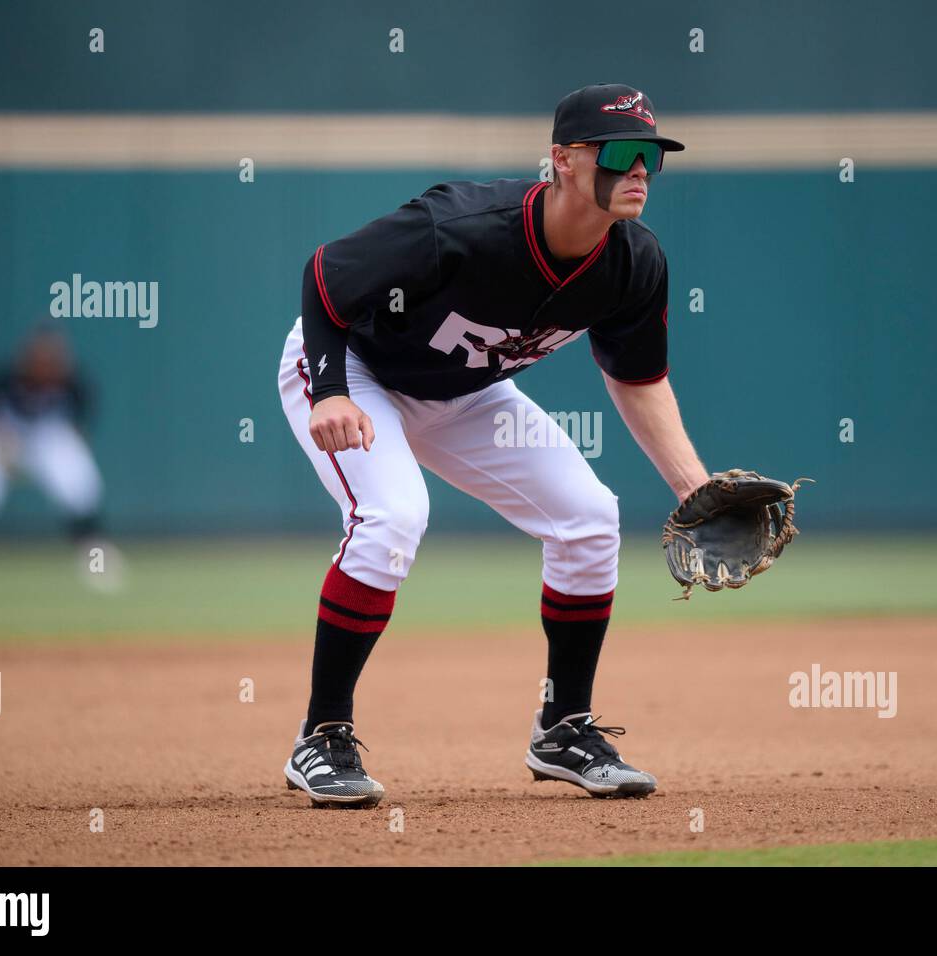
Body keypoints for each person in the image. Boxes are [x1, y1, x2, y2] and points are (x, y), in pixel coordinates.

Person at [278, 84, 708, 807]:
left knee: (590, 518)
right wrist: (329, 391)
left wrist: (691, 487)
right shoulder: (462, 226)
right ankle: (321, 734)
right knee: (393, 518)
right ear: (564, 160)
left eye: (653, 158)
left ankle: (562, 728)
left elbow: (638, 377)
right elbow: (325, 277)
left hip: (466, 395)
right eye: (623, 153)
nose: (641, 170)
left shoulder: (633, 263)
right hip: (357, 370)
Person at [0, 325, 121, 596]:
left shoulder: (74, 384)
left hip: (45, 442)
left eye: (53, 357)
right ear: (28, 357)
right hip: (4, 437)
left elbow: (80, 430)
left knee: (76, 473)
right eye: (41, 356)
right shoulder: (5, 378)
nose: (47, 363)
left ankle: (96, 556)